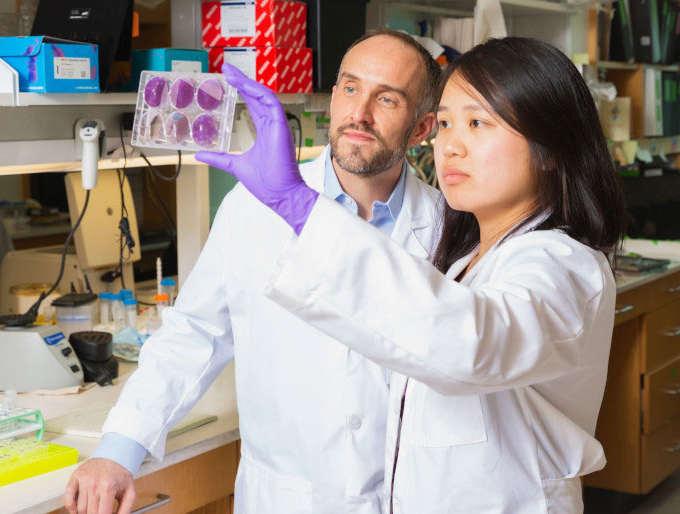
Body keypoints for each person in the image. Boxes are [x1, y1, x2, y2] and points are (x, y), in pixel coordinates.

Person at [196, 37, 626, 513]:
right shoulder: (467, 262)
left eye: (478, 123)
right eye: (445, 123)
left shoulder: (563, 266)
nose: (451, 146)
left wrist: (298, 207)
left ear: (549, 149)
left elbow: (467, 341)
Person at [63, 29, 443, 514]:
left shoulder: (450, 230)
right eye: (349, 88)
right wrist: (118, 451)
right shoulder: (252, 208)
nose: (359, 114)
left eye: (386, 99)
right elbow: (193, 333)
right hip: (288, 500)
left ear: (421, 127)